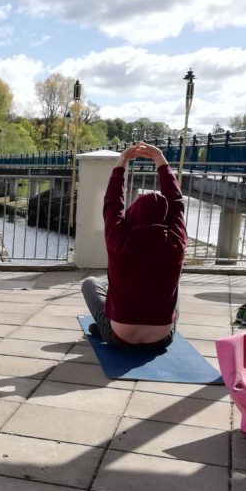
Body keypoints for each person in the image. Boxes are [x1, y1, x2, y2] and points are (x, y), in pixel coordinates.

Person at [81, 142, 187, 349]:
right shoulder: (176, 242)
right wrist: (161, 161)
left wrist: (121, 163)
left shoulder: (118, 240)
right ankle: (105, 327)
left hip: (119, 338)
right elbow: (176, 202)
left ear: (134, 213)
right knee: (176, 289)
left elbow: (112, 203)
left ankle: (105, 327)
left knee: (91, 283)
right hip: (161, 340)